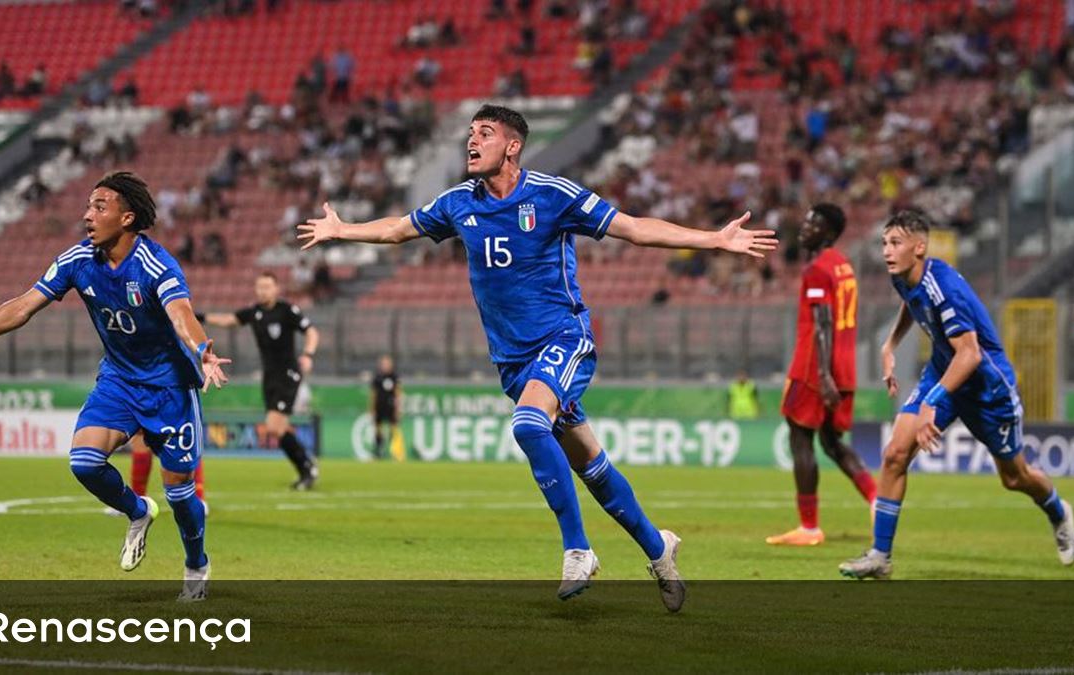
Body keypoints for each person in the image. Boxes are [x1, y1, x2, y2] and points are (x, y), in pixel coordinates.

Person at [299, 104, 777, 610]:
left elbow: (633, 228)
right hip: (513, 360)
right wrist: (341, 229)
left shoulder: (552, 195)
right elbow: (398, 229)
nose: (471, 141)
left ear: (512, 146)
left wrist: (713, 240)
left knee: (528, 424)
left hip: (564, 339)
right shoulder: (459, 202)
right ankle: (660, 550)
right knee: (592, 466)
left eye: (485, 133)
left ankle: (577, 549)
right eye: (470, 133)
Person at [0, 172, 229, 600]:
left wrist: (202, 348)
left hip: (169, 388)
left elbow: (181, 313)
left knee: (182, 494)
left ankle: (195, 566)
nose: (87, 215)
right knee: (84, 463)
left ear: (127, 217)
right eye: (89, 206)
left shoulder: (155, 264)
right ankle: (138, 510)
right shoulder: (77, 259)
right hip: (119, 381)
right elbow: (22, 306)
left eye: (99, 207)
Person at [839, 210, 1074, 579]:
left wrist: (932, 403)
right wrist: (890, 343)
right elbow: (912, 303)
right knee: (894, 455)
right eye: (884, 242)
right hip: (943, 371)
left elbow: (970, 354)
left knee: (1015, 478)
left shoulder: (945, 288)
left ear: (919, 247)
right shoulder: (903, 275)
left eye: (895, 243)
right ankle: (880, 556)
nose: (886, 250)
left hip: (987, 386)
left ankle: (1057, 510)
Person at [767, 204, 877, 547]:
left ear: (829, 232)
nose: (805, 226)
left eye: (814, 223)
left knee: (800, 438)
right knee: (831, 441)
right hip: (845, 365)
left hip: (815, 367)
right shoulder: (844, 265)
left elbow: (822, 321)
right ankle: (879, 501)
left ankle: (809, 527)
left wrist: (823, 374)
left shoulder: (817, 269)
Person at [198, 272, 321, 490]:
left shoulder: (287, 310)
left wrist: (308, 355)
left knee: (274, 425)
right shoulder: (253, 312)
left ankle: (307, 467)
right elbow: (229, 320)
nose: (263, 291)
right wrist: (201, 317)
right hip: (270, 376)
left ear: (276, 289)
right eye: (260, 287)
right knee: (277, 428)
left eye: (267, 286)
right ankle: (307, 465)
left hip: (288, 373)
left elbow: (311, 332)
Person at [370, 355, 402, 460]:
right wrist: (372, 408)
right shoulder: (377, 378)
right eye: (383, 363)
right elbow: (373, 394)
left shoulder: (394, 377)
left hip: (391, 406)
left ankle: (394, 451)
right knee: (378, 429)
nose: (385, 366)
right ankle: (379, 450)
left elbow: (398, 393)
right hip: (379, 406)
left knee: (393, 428)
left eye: (387, 363)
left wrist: (398, 408)